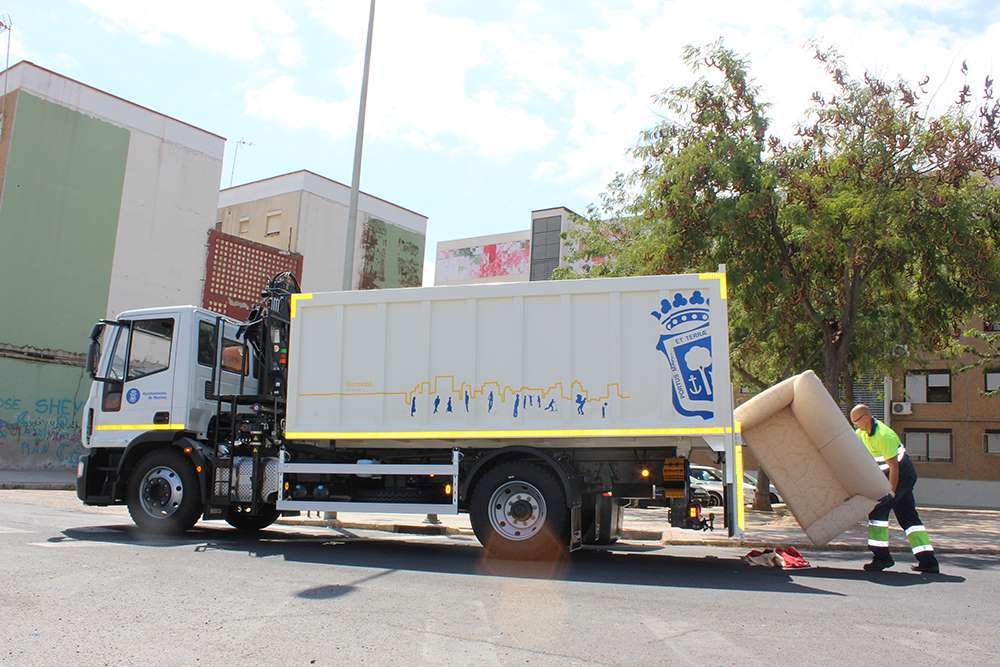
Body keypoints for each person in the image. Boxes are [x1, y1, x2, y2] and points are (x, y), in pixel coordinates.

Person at [850, 404, 940, 574]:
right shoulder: (861, 433)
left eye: (856, 421)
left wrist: (891, 492)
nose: (855, 424)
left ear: (866, 418)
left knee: (878, 511)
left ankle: (882, 558)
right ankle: (928, 561)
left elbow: (894, 467)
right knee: (909, 518)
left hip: (902, 476)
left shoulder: (884, 435)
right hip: (890, 475)